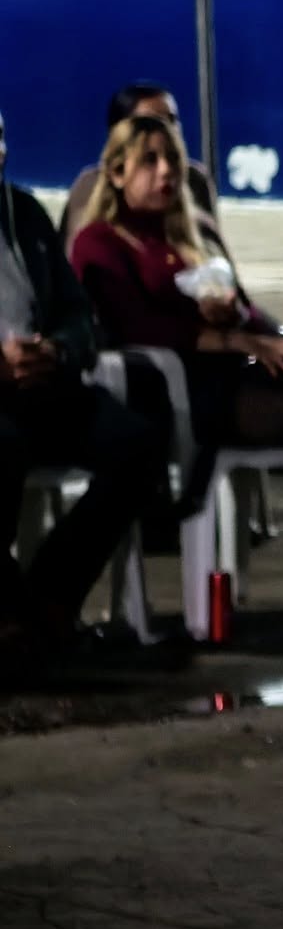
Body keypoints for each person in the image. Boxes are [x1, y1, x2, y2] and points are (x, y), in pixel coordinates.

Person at [69, 116, 283, 632]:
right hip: (173, 390)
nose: (166, 172)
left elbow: (250, 312)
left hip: (232, 377)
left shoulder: (192, 234)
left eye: (173, 160)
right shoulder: (99, 242)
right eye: (149, 161)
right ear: (116, 173)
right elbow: (133, 325)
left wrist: (236, 317)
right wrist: (231, 339)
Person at [0, 108, 166, 661]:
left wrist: (57, 350)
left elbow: (78, 314)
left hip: (40, 382)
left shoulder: (22, 214)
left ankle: (48, 601)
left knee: (137, 444)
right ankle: (9, 618)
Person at [61, 84, 226, 254]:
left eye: (172, 120)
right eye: (152, 122)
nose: (167, 130)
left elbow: (214, 253)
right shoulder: (91, 186)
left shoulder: (194, 179)